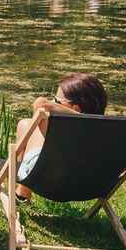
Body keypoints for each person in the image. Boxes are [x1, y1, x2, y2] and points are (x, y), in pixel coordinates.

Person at [13, 73, 108, 201]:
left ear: (75, 107)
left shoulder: (65, 128)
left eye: (57, 100)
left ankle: (22, 194)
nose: (53, 102)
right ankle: (22, 192)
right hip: (93, 184)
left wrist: (50, 105)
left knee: (26, 124)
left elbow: (40, 104)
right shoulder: (111, 131)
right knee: (25, 124)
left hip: (50, 181)